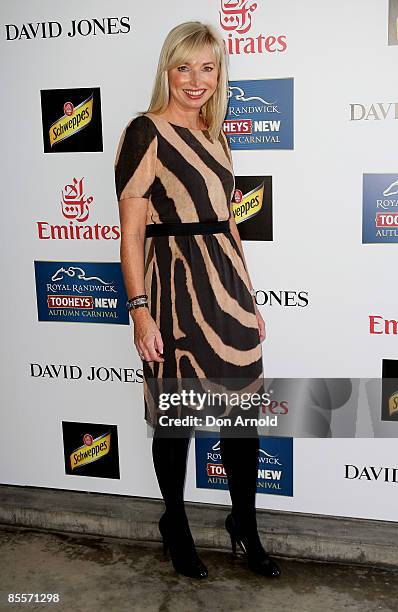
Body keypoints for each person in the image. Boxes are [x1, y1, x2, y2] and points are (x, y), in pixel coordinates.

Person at [114, 21, 281, 580]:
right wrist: (139, 310)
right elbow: (130, 233)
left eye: (207, 67)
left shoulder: (218, 135)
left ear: (219, 74)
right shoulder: (145, 132)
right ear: (167, 68)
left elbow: (229, 225)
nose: (195, 80)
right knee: (176, 420)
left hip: (226, 291)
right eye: (183, 66)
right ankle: (176, 525)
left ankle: (245, 525)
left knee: (242, 417)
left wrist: (249, 300)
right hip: (173, 292)